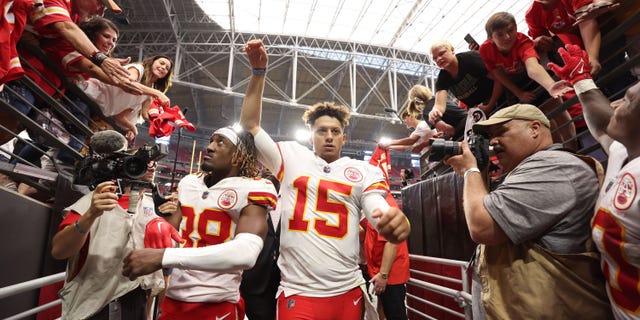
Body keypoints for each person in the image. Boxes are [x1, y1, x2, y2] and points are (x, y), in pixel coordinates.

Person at [240, 39, 410, 320]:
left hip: (347, 291)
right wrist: (258, 73)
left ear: (344, 137)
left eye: (334, 131)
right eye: (321, 131)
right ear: (311, 136)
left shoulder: (363, 170)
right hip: (298, 291)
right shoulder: (291, 156)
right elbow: (250, 126)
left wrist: (391, 221)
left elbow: (375, 205)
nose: (328, 136)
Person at [445, 103, 612, 319]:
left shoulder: (555, 167)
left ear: (534, 129)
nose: (493, 142)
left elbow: (482, 226)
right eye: (490, 136)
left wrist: (471, 170)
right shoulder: (528, 170)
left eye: (501, 132)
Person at [121, 126, 278, 320]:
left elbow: (246, 253)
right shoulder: (190, 183)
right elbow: (174, 233)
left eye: (221, 142)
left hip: (217, 303)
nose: (210, 147)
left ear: (238, 156)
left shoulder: (253, 187)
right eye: (211, 140)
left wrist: (163, 255)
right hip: (173, 300)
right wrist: (159, 224)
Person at [549, 43, 640, 319]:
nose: (615, 105)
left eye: (627, 101)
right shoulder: (622, 152)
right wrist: (581, 80)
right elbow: (602, 125)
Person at [50, 131, 180, 319]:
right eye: (144, 163)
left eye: (154, 164)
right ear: (127, 166)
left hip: (137, 305)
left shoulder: (155, 208)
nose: (152, 168)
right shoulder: (92, 202)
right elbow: (59, 251)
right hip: (94, 306)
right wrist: (90, 215)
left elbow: (161, 270)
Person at [479, 11, 576, 146]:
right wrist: (518, 93)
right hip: (515, 86)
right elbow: (498, 74)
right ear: (491, 38)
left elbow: (532, 67)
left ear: (516, 28)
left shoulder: (522, 41)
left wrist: (550, 86)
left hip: (534, 79)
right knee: (543, 122)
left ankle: (574, 147)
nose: (507, 37)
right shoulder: (485, 50)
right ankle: (562, 151)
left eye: (511, 30)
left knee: (559, 112)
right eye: (500, 34)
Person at [240, 168, 282, 320]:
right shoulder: (248, 196)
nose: (268, 170)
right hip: (255, 277)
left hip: (286, 279)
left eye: (272, 166)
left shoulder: (294, 198)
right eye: (264, 166)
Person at [428, 40, 503, 121]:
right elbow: (439, 105)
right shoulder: (442, 78)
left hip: (501, 99)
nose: (438, 59)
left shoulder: (470, 59)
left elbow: (500, 78)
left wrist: (490, 106)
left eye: (442, 53)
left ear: (452, 50)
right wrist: (434, 111)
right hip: (481, 110)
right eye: (434, 58)